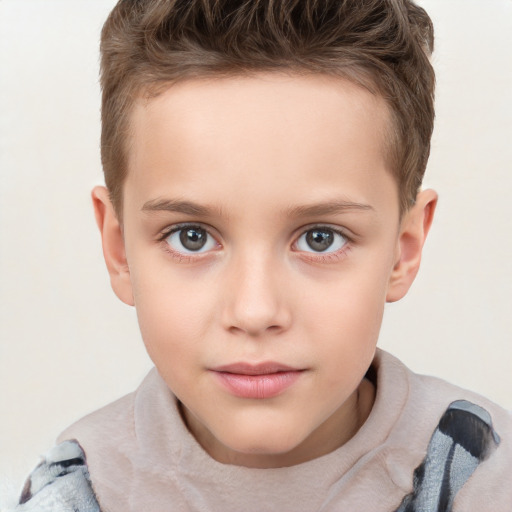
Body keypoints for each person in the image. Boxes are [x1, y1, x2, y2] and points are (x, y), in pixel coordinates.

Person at [10, 0, 512, 511]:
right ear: (119, 249)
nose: (254, 312)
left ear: (404, 251)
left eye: (321, 237)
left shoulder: (482, 473)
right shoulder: (79, 491)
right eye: (191, 237)